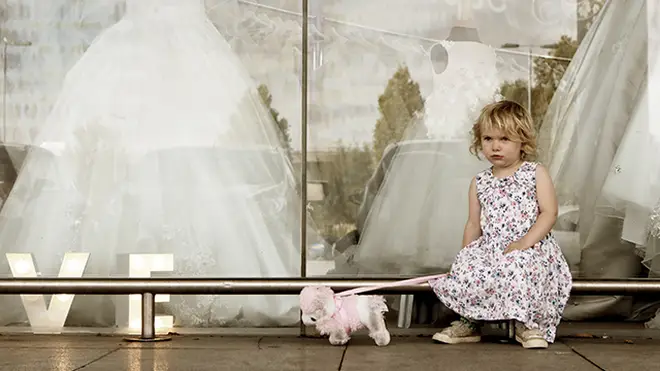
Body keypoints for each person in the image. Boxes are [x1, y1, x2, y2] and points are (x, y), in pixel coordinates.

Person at [429, 100, 572, 349]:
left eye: (504, 139)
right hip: (492, 247)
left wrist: (524, 243)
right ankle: (470, 321)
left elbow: (549, 213)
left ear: (522, 142)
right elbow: (473, 224)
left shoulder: (535, 173)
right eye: (488, 139)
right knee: (470, 270)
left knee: (519, 265)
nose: (495, 146)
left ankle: (526, 323)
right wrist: (467, 256)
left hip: (531, 245)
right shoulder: (480, 181)